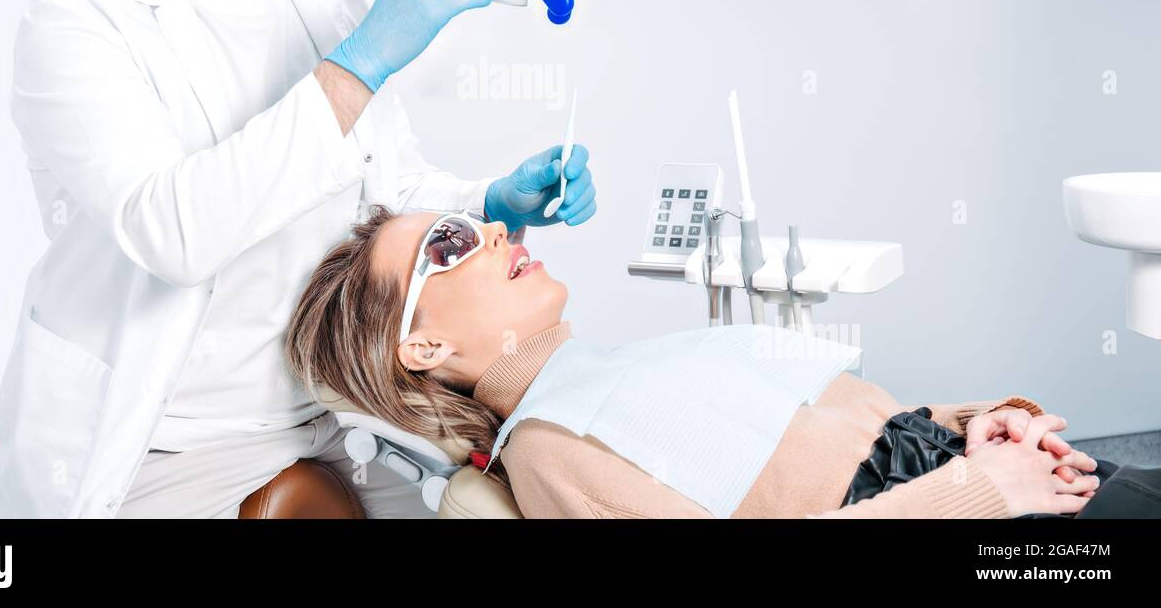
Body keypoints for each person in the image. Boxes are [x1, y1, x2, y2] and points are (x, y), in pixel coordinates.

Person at [0, 0, 596, 519]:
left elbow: (384, 186)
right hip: (169, 438)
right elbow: (175, 233)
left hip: (322, 417)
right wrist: (361, 62)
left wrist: (488, 202)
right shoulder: (80, 22)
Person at [288, 207, 1161, 519]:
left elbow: (828, 444)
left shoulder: (605, 374)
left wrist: (976, 424)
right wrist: (977, 493)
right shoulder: (553, 450)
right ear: (423, 347)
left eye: (475, 221)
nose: (495, 234)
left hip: (981, 478)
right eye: (450, 243)